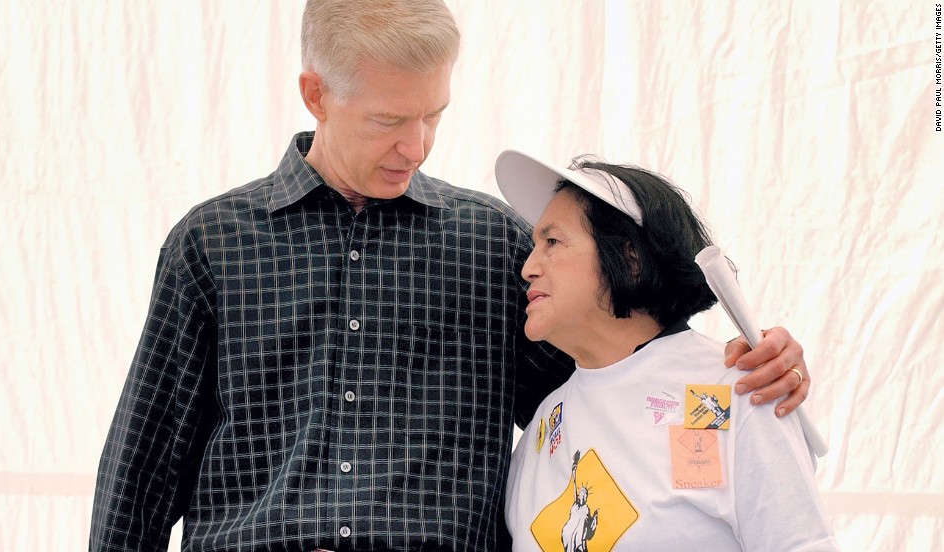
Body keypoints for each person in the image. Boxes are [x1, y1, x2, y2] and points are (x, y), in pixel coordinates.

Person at [90, 1, 813, 550]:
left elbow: (610, 377)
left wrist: (747, 369)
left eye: (434, 115)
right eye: (388, 120)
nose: (418, 144)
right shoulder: (212, 242)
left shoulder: (493, 242)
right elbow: (143, 471)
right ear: (316, 94)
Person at [496, 150, 839, 550]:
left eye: (552, 241)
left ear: (630, 258)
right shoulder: (540, 430)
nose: (528, 267)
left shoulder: (741, 392)